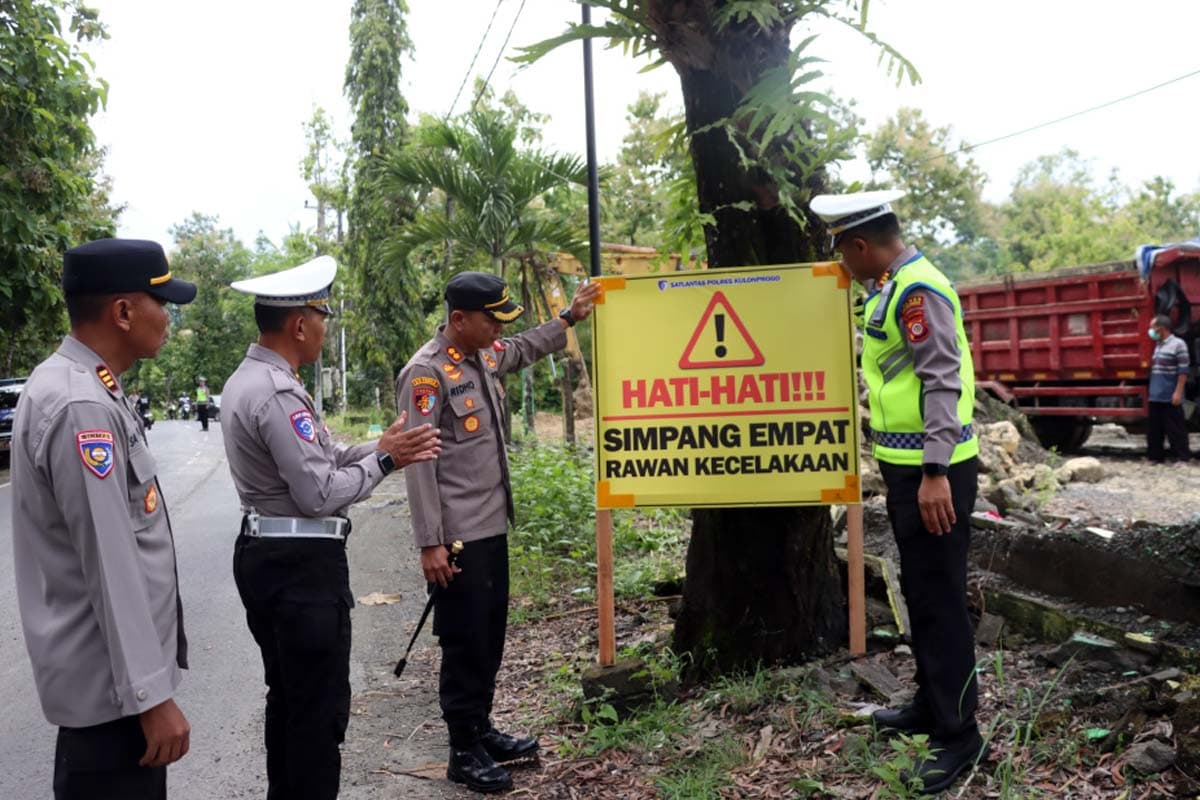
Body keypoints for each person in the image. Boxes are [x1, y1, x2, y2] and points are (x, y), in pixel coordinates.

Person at [220, 255, 442, 800]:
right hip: (299, 572)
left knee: (289, 700)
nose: (326, 326)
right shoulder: (277, 392)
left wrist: (382, 448)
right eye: (323, 315)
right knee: (317, 712)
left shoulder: (256, 380)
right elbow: (319, 492)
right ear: (300, 324)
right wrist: (386, 464)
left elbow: (327, 455)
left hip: (271, 556)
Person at [396, 271, 601, 794]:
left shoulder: (482, 354)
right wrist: (430, 542)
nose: (497, 330)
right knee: (464, 641)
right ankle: (462, 750)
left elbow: (524, 346)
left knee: (488, 636)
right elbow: (418, 464)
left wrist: (570, 317)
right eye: (490, 320)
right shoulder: (425, 374)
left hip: (491, 528)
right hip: (457, 536)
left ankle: (482, 729)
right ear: (459, 320)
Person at [811, 191, 987, 795]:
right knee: (920, 588)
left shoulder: (917, 291)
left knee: (939, 595)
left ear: (861, 245)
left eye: (841, 250)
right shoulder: (892, 284)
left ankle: (959, 733)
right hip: (908, 465)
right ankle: (933, 702)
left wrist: (936, 471)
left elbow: (941, 379)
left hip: (934, 471)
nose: (840, 263)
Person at [10, 238, 196, 799]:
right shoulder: (80, 405)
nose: (167, 316)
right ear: (122, 311)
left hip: (110, 699)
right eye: (160, 302)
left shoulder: (89, 389)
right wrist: (152, 697)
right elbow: (110, 560)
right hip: (113, 709)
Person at [1146, 313, 1191, 463]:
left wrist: (1178, 392)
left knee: (1175, 428)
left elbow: (1183, 371)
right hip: (1156, 394)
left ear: (1162, 328)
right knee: (1155, 429)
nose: (1150, 331)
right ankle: (1156, 458)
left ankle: (1182, 457)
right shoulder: (1158, 346)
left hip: (1170, 394)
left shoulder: (1178, 344)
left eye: (1153, 328)